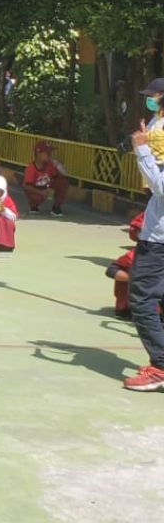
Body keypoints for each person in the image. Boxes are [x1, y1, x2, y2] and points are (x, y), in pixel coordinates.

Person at [122, 81, 164, 390]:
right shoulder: (157, 128)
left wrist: (142, 151)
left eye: (153, 98)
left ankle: (161, 367)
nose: (149, 101)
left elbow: (160, 187)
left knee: (142, 298)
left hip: (159, 238)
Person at [23, 141, 69, 217]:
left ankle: (56, 207)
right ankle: (33, 205)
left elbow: (57, 178)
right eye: (47, 153)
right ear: (39, 154)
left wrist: (59, 168)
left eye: (50, 152)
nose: (50, 155)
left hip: (46, 187)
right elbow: (26, 186)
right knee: (36, 198)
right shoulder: (30, 168)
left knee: (63, 181)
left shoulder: (50, 165)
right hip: (36, 190)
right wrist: (41, 192)